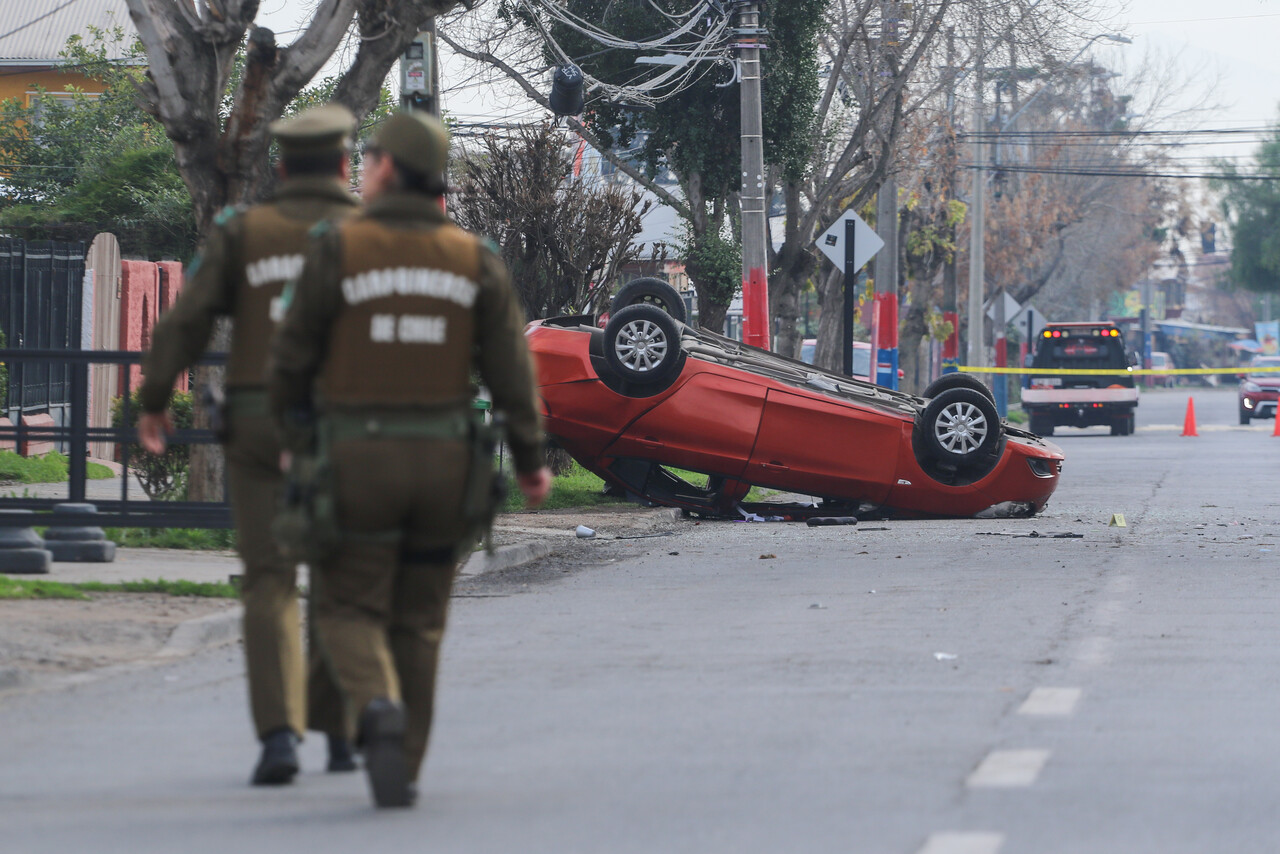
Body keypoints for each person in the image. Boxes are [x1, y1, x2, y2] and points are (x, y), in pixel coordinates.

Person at [267, 110, 551, 808]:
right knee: (422, 620)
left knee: (345, 604)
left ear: (388, 168)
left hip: (357, 461)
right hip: (447, 466)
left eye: (365, 161)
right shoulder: (474, 258)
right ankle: (408, 766)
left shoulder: (339, 247)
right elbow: (513, 371)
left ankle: (373, 705)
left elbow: (290, 359)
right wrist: (531, 459)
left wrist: (292, 437)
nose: (360, 172)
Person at [137, 104, 363, 786]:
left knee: (268, 578)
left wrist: (152, 400)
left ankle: (277, 738)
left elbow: (186, 320)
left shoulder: (245, 233)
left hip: (260, 419)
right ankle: (341, 729)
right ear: (345, 165)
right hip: (346, 422)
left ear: (282, 168)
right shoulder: (372, 230)